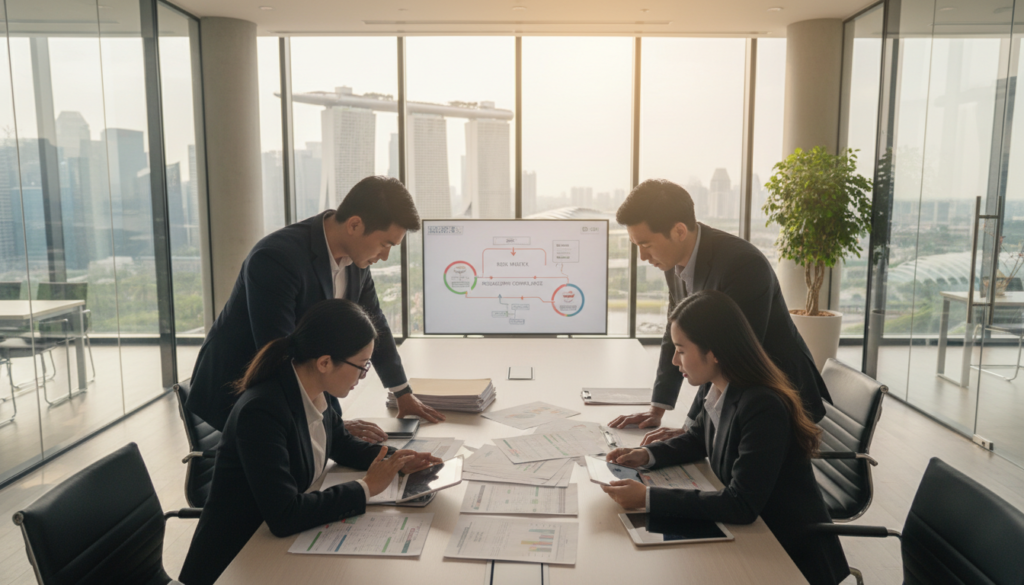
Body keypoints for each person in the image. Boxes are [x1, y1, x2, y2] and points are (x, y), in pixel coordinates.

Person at [179, 299, 442, 585]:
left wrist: (398, 461)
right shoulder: (262, 411)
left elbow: (340, 443)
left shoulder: (315, 387)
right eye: (362, 366)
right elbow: (285, 515)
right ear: (325, 362)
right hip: (236, 561)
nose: (363, 376)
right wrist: (367, 487)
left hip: (274, 549)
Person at [601, 291, 848, 585]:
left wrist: (648, 497)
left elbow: (741, 505)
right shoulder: (718, 385)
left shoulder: (762, 405)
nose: (673, 360)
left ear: (714, 352)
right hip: (753, 536)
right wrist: (648, 456)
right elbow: (698, 438)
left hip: (786, 551)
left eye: (681, 349)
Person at [186, 176, 445, 438]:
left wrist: (402, 393)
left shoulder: (357, 261)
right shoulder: (276, 258)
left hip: (294, 391)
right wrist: (332, 425)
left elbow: (374, 324)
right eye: (385, 244)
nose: (386, 255)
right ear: (355, 225)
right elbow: (281, 352)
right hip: (241, 395)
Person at [608, 178, 829, 445]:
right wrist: (657, 409)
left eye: (646, 245)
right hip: (740, 396)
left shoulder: (742, 266)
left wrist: (692, 428)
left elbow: (729, 356)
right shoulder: (672, 263)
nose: (642, 257)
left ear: (679, 231)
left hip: (779, 400)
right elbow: (675, 333)